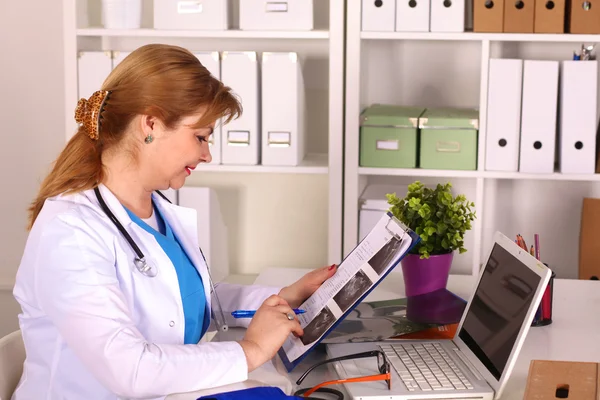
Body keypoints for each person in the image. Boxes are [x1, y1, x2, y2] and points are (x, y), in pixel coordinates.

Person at [11, 44, 337, 400]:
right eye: (200, 137)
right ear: (150, 124)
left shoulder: (157, 210)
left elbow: (189, 299)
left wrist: (280, 298)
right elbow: (130, 370)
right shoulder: (70, 231)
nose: (206, 154)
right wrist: (251, 351)